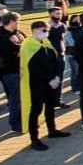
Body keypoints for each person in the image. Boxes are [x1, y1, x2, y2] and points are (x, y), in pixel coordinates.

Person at [20, 21, 70, 151]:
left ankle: (52, 130)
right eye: (43, 30)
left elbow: (58, 60)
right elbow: (33, 68)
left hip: (52, 82)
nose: (46, 33)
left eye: (46, 30)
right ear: (35, 30)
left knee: (50, 106)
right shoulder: (28, 45)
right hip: (37, 84)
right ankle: (34, 139)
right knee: (36, 110)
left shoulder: (46, 43)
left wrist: (58, 76)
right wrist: (49, 80)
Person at [0, 12, 24, 131]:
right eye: (17, 22)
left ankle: (24, 119)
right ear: (11, 22)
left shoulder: (18, 33)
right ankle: (15, 124)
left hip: (22, 69)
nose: (19, 24)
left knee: (22, 97)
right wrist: (19, 51)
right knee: (15, 98)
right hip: (10, 72)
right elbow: (8, 53)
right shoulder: (0, 36)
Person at [46, 7, 69, 108]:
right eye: (56, 14)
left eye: (60, 14)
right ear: (50, 14)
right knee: (50, 79)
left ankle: (58, 100)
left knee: (60, 78)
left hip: (61, 55)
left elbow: (63, 39)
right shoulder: (46, 27)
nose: (59, 16)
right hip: (50, 57)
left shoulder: (62, 26)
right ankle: (49, 101)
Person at [63, 15, 83, 96]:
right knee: (74, 71)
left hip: (81, 54)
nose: (76, 21)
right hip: (72, 55)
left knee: (80, 71)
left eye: (78, 20)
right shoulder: (68, 32)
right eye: (75, 20)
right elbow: (70, 44)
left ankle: (81, 85)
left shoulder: (82, 30)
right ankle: (75, 88)